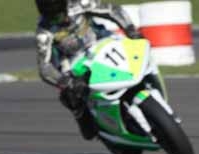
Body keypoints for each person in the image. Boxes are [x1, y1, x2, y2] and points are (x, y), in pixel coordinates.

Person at [35, 0, 143, 140]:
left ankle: (145, 78)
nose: (59, 20)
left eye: (59, 15)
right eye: (52, 18)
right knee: (70, 93)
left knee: (135, 47)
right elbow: (44, 67)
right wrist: (66, 81)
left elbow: (113, 10)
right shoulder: (43, 32)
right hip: (74, 60)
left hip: (102, 41)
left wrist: (130, 29)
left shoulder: (80, 3)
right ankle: (81, 115)